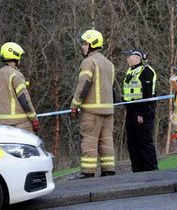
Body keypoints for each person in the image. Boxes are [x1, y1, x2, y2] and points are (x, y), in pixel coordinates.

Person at [71, 29, 116, 178]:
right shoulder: (109, 64)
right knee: (107, 141)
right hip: (108, 111)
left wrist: (75, 105)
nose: (82, 47)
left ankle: (87, 172)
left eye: (85, 44)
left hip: (91, 111)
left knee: (89, 141)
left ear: (92, 45)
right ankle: (108, 170)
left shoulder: (88, 62)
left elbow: (84, 85)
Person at [122, 48, 158, 172]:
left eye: (129, 56)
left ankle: (151, 169)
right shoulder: (131, 71)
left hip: (142, 110)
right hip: (131, 111)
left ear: (137, 58)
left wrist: (143, 114)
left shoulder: (146, 71)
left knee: (144, 141)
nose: (127, 58)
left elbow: (148, 95)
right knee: (132, 143)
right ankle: (137, 170)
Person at [0, 42, 39, 133]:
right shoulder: (16, 75)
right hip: (21, 124)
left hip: (2, 123)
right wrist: (34, 118)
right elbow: (24, 100)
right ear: (15, 56)